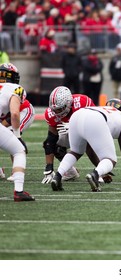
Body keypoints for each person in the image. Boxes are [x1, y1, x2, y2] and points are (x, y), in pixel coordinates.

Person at [51, 98, 121, 192]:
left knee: (75, 152)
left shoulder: (103, 109)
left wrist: (100, 168)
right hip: (95, 119)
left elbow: (89, 149)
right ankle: (95, 175)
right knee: (111, 159)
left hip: (77, 115)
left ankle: (57, 176)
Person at [41, 86, 95, 185]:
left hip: (89, 130)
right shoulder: (51, 114)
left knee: (91, 145)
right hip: (70, 135)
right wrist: (49, 167)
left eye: (59, 109)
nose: (57, 113)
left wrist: (74, 125)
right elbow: (50, 140)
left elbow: (95, 123)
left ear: (69, 103)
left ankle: (102, 171)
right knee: (55, 144)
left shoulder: (82, 102)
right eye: (54, 110)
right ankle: (70, 172)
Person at [0, 63, 34, 201]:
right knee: (19, 151)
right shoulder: (16, 88)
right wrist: (17, 135)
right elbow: (14, 114)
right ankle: (18, 191)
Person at [1, 97, 35, 181]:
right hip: (9, 113)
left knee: (10, 133)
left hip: (22, 110)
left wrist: (17, 136)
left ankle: (16, 172)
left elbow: (14, 114)